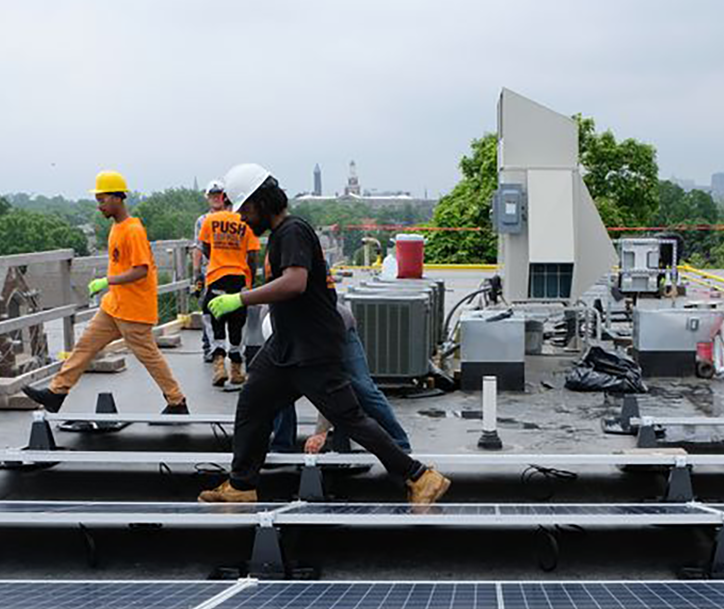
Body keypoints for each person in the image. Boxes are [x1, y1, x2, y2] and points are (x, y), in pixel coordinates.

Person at [200, 163, 447, 504]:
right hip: (286, 345)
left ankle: (420, 477)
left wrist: (240, 299)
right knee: (252, 405)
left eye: (244, 209)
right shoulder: (281, 235)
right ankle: (242, 485)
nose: (241, 218)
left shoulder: (292, 231)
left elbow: (295, 282)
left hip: (312, 347)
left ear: (261, 202)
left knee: (351, 418)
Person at [24, 171, 187, 416]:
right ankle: (56, 393)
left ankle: (177, 401)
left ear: (117, 198)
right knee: (84, 347)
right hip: (114, 306)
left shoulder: (133, 230)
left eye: (102, 200)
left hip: (134, 309)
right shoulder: (116, 228)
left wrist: (106, 281)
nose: (99, 206)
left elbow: (141, 270)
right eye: (97, 200)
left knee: (149, 357)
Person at [271, 300, 412, 453]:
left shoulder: (319, 328)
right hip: (301, 333)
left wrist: (321, 432)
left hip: (338, 329)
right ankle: (281, 445)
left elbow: (329, 383)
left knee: (363, 389)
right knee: (279, 388)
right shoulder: (269, 320)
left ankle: (399, 442)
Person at [195, 179, 259, 387]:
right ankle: (237, 371)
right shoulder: (246, 223)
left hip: (216, 278)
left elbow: (204, 247)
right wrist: (249, 279)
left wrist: (217, 259)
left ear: (223, 199)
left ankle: (219, 366)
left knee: (213, 320)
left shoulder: (209, 221)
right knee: (237, 325)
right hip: (238, 278)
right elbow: (253, 255)